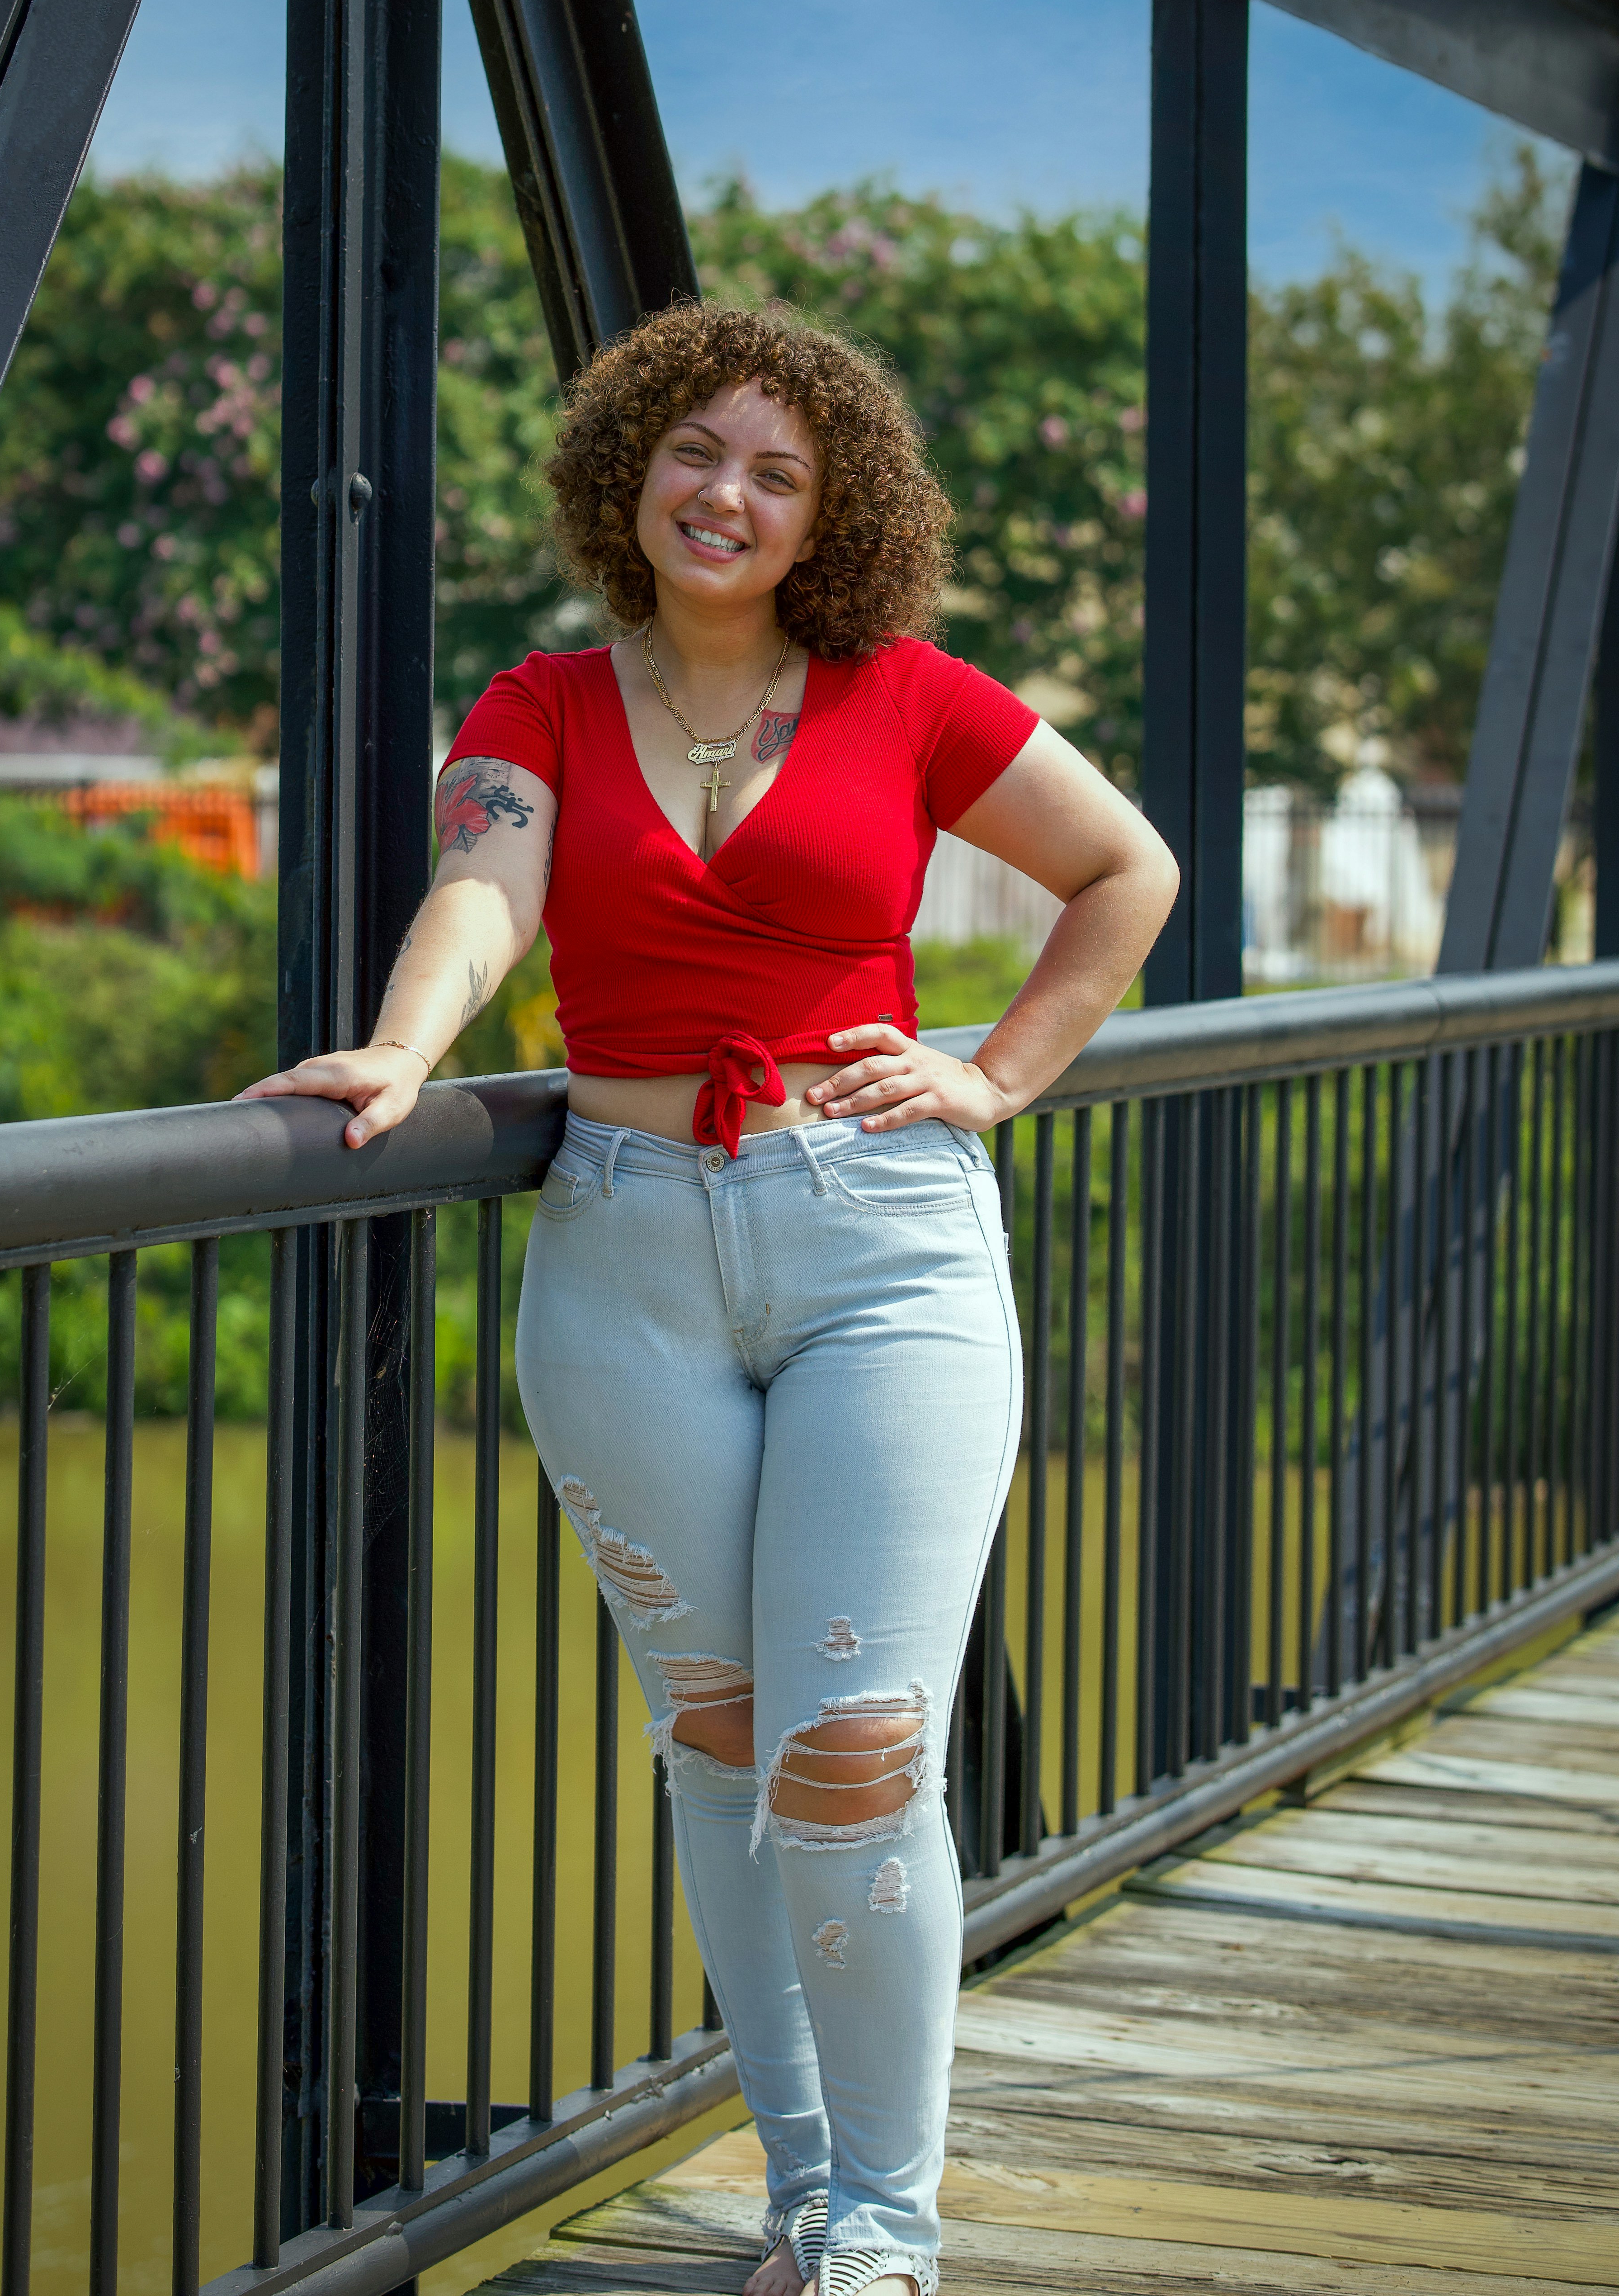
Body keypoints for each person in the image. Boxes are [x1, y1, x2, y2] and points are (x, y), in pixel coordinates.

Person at [240, 303, 1177, 2296]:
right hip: (625, 1245)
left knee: (859, 1745)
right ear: (627, 474)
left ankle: (887, 2235)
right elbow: (483, 894)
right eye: (692, 452)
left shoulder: (908, 695)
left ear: (829, 513)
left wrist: (998, 1074)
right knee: (726, 1740)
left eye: (774, 469)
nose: (724, 493)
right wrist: (407, 1054)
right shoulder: (546, 704)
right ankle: (804, 2185)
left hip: (883, 1248)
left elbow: (1124, 872)